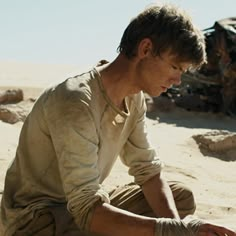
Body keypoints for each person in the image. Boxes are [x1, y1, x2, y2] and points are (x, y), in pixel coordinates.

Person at [1, 3, 235, 236]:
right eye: (174, 66)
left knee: (179, 197)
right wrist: (170, 229)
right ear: (145, 49)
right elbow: (85, 209)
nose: (177, 81)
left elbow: (148, 172)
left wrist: (178, 230)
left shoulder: (133, 98)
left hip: (79, 209)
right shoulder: (75, 101)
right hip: (36, 219)